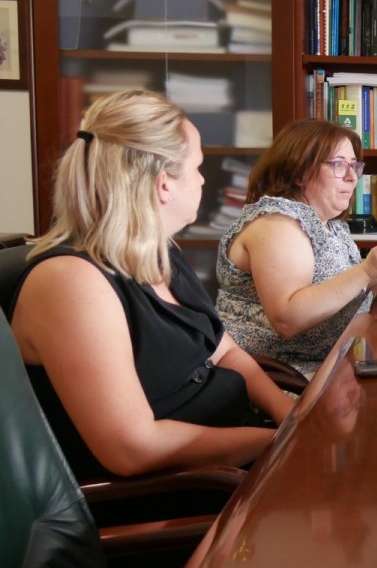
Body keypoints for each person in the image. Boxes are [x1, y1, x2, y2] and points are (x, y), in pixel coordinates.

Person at [9, 90, 294, 480]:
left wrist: (291, 415)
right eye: (197, 166)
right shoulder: (71, 283)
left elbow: (223, 350)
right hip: (184, 491)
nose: (202, 179)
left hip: (239, 457)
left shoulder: (158, 251)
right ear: (164, 185)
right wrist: (276, 443)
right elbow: (132, 449)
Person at [217, 120, 377, 376]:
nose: (352, 176)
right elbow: (288, 318)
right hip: (280, 373)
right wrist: (368, 270)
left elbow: (351, 283)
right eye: (339, 164)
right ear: (299, 172)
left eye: (354, 165)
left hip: (330, 359)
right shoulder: (277, 224)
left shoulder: (329, 224)